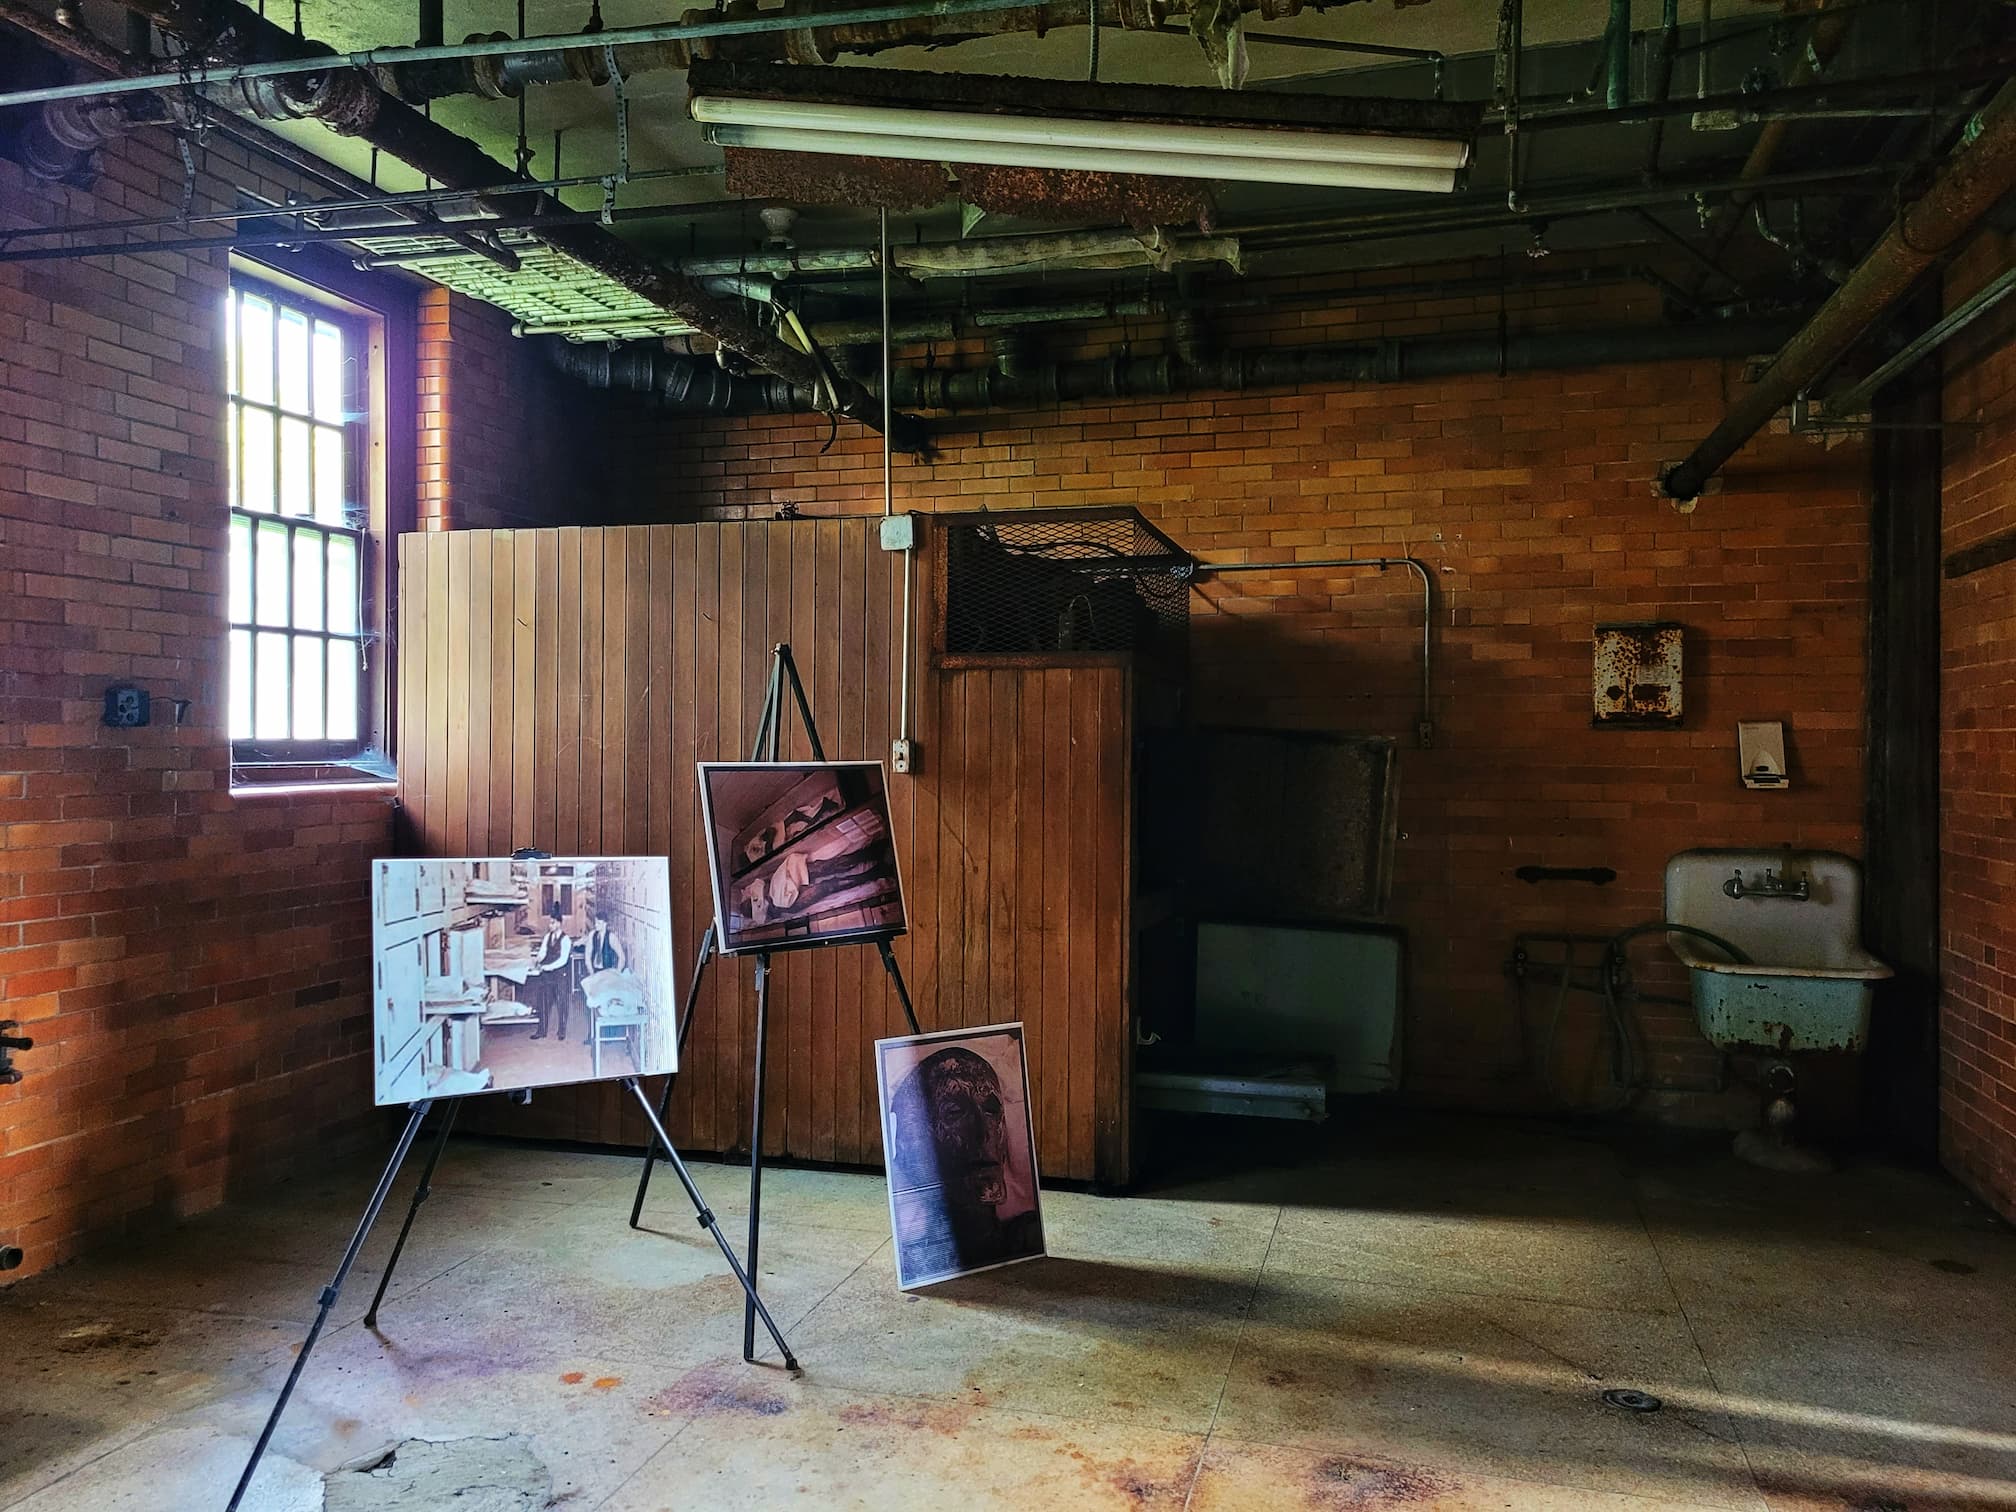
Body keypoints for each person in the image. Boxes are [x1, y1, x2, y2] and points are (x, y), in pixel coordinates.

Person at [886, 1045, 1042, 1282]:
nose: (984, 1134)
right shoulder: (915, 1264)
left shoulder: (1028, 1238)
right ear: (908, 1143)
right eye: (955, 1111)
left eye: (991, 1111)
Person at [526, 905, 575, 1041]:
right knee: (543, 1002)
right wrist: (536, 960)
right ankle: (541, 1031)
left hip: (560, 975)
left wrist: (548, 967)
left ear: (559, 923)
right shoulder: (547, 937)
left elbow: (563, 960)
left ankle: (561, 1031)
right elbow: (542, 953)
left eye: (553, 922)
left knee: (562, 1002)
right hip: (547, 975)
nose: (550, 925)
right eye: (550, 922)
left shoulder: (566, 940)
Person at [581, 905, 628, 975]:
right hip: (594, 971)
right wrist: (591, 972)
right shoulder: (592, 935)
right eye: (595, 922)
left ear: (605, 924)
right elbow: (587, 955)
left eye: (599, 923)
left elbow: (622, 957)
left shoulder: (611, 937)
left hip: (607, 973)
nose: (596, 925)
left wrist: (617, 973)